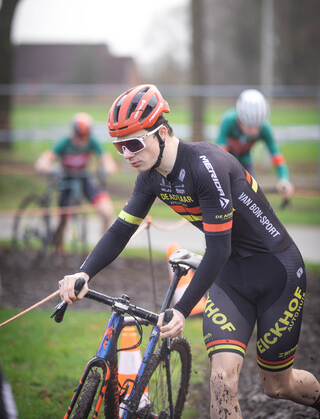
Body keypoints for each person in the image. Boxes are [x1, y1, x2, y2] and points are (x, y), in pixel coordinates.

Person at [58, 85, 320, 419]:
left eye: (134, 143)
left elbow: (219, 247)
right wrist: (84, 272)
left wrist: (181, 309)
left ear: (162, 132)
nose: (126, 154)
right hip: (231, 277)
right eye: (119, 145)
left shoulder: (205, 166)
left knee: (278, 386)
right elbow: (122, 229)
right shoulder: (150, 176)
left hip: (277, 273)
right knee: (222, 379)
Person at [35, 112, 116, 253]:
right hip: (66, 181)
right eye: (79, 136)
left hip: (84, 179)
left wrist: (107, 168)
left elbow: (107, 159)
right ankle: (58, 247)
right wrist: (47, 167)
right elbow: (44, 160)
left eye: (85, 136)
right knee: (63, 219)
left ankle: (104, 250)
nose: (81, 140)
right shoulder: (64, 142)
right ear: (73, 133)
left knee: (106, 211)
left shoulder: (92, 142)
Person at [216, 89, 294, 201]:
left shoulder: (265, 128)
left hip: (246, 161)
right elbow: (220, 155)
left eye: (257, 127)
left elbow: (277, 156)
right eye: (249, 126)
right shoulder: (228, 120)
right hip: (226, 159)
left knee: (254, 198)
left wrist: (284, 179)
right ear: (240, 121)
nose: (253, 132)